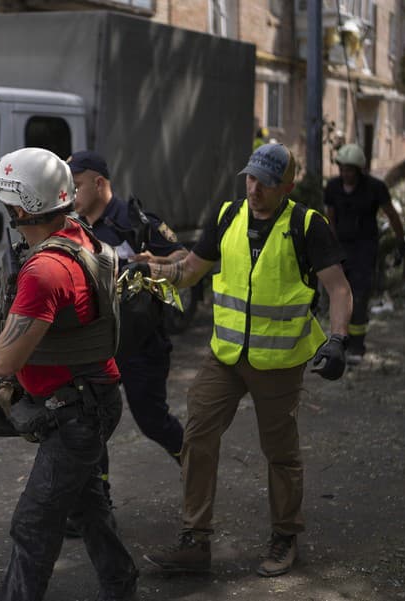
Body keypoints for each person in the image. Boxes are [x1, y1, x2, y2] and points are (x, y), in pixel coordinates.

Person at [138, 143, 353, 577]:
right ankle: (195, 541)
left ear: (286, 186)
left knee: (280, 452)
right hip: (226, 356)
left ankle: (285, 536)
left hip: (278, 362)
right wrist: (155, 270)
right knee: (197, 434)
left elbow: (340, 289)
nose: (255, 189)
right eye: (250, 179)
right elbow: (193, 270)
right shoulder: (228, 216)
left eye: (266, 183)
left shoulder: (307, 225)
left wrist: (337, 339)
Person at [0, 147, 139, 601]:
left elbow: (4, 360)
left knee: (34, 523)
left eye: (7, 202)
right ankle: (121, 584)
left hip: (77, 411)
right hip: (88, 397)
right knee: (86, 506)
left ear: (22, 207)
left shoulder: (45, 269)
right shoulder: (79, 235)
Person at [67, 150, 187, 515]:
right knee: (91, 423)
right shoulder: (72, 227)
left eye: (77, 185)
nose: (71, 194)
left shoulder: (137, 222)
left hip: (141, 345)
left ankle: (197, 467)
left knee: (152, 420)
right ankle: (96, 503)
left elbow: (186, 259)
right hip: (96, 347)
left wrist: (157, 262)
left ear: (99, 183)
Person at [324, 143, 405, 363]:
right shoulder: (333, 187)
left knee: (360, 296)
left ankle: (357, 346)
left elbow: (391, 214)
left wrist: (401, 241)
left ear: (359, 170)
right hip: (341, 248)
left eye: (350, 170)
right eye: (342, 169)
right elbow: (330, 218)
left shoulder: (375, 188)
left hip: (365, 248)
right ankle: (339, 341)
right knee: (340, 295)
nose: (345, 174)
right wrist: (330, 247)